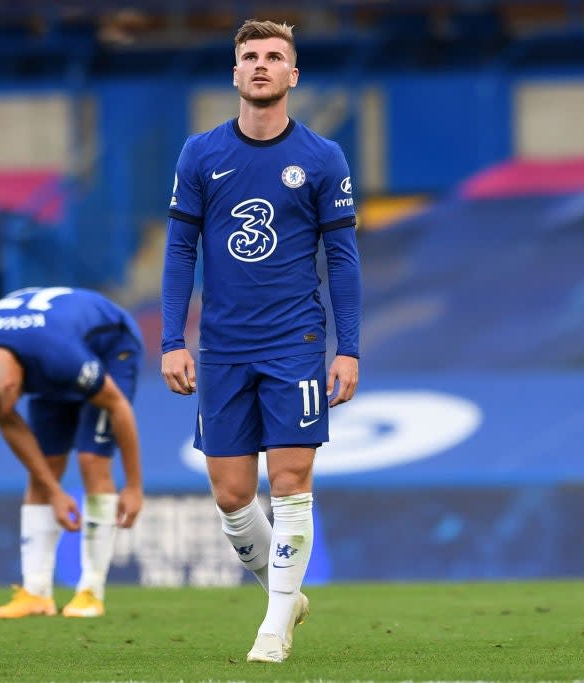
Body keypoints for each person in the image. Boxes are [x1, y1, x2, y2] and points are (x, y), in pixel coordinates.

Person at [160, 19, 361, 664]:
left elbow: (345, 260)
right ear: (236, 72)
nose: (262, 65)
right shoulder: (200, 154)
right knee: (231, 495)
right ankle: (286, 592)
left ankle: (273, 626)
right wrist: (172, 339)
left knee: (293, 477)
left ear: (293, 74)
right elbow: (179, 252)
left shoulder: (323, 158)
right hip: (221, 348)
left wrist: (347, 346)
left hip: (295, 342)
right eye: (251, 56)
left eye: (276, 56)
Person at [0, 286, 144, 619]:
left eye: (9, 406)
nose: (9, 414)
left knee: (91, 461)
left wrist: (134, 486)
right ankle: (36, 592)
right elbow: (8, 420)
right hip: (45, 361)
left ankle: (90, 592)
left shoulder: (59, 356)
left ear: (12, 387)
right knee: (44, 471)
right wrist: (54, 492)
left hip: (110, 349)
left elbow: (118, 407)